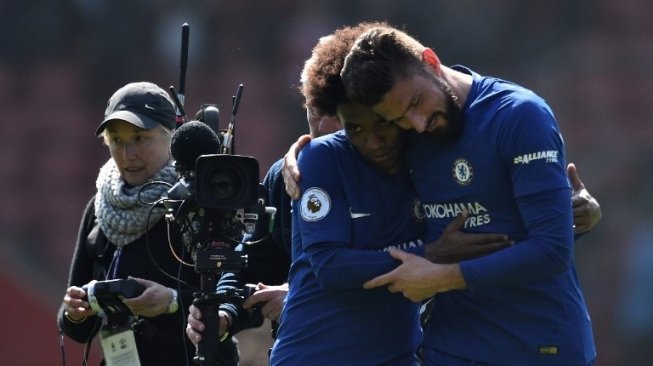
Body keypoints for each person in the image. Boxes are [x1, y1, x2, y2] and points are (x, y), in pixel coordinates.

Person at [337, 26, 597, 365]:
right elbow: (334, 146)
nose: (417, 124)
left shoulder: (519, 115)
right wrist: (296, 157)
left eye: (416, 103)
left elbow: (551, 250)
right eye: (398, 119)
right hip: (451, 349)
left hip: (541, 346)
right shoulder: (405, 136)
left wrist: (443, 277)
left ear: (431, 61)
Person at [57, 81, 202, 365]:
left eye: (139, 138)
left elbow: (235, 304)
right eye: (117, 140)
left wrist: (172, 302)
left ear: (170, 136)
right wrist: (74, 311)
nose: (127, 154)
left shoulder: (198, 201)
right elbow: (76, 326)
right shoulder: (99, 207)